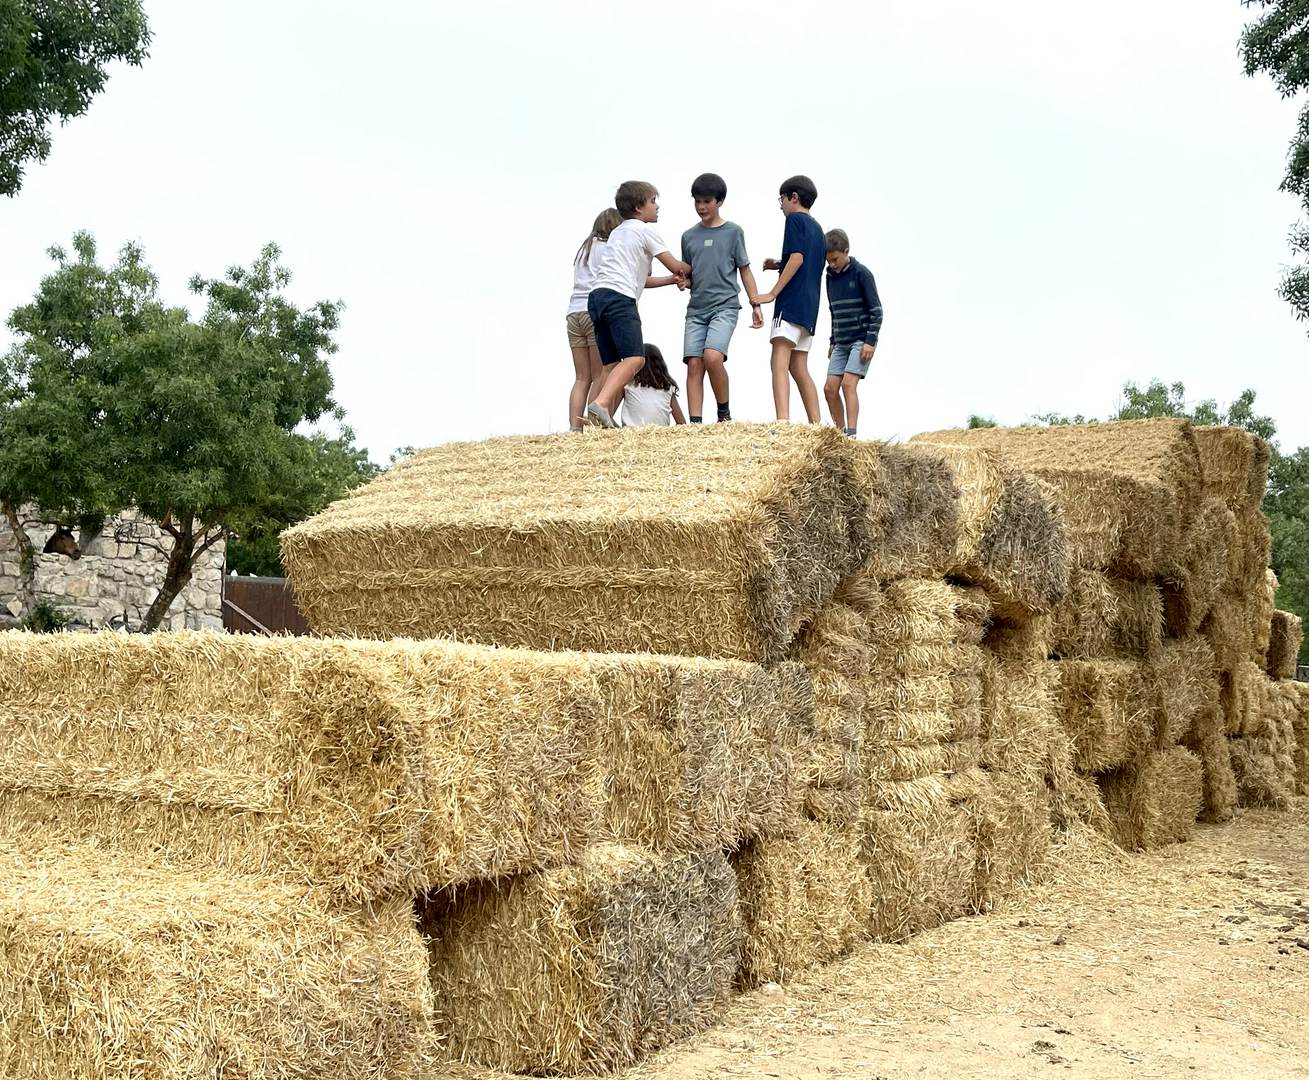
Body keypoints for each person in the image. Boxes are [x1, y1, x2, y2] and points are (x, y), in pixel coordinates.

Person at [584, 181, 690, 429]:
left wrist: (670, 281)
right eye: (653, 201)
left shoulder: (619, 233)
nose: (657, 206)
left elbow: (641, 279)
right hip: (620, 299)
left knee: (611, 365)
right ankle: (600, 404)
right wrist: (694, 270)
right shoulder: (644, 230)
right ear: (639, 207)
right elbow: (676, 266)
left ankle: (600, 420)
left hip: (598, 297)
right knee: (635, 359)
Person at [679, 172, 763, 423]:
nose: (701, 207)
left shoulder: (733, 232)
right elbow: (689, 273)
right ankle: (694, 425)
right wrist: (685, 281)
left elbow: (745, 269)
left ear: (720, 201)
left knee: (712, 357)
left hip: (724, 306)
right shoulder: (688, 236)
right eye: (697, 201)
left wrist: (755, 304)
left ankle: (723, 414)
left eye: (707, 201)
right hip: (696, 309)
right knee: (694, 364)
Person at [750, 174, 826, 423]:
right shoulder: (818, 229)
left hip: (791, 302)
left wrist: (772, 293)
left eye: (781, 199)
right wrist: (778, 264)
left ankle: (782, 420)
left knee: (779, 361)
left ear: (793, 197)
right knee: (799, 366)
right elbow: (806, 258)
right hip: (810, 305)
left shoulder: (794, 220)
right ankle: (816, 424)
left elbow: (798, 258)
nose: (781, 206)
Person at [823, 228, 883, 438]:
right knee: (830, 389)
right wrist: (832, 340)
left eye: (835, 259)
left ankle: (852, 434)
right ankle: (840, 438)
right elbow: (833, 311)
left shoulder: (862, 274)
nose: (832, 264)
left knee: (848, 383)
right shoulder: (829, 278)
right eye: (828, 260)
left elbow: (877, 311)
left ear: (846, 251)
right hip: (840, 342)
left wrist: (870, 341)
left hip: (860, 340)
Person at [566, 208, 622, 431]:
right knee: (601, 373)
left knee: (582, 377)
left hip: (573, 313)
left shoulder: (584, 250)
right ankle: (592, 424)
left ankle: (574, 427)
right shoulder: (607, 249)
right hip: (593, 311)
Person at [620, 344, 687, 427]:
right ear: (661, 365)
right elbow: (682, 423)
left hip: (630, 435)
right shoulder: (668, 389)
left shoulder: (628, 386)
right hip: (660, 436)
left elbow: (608, 413)